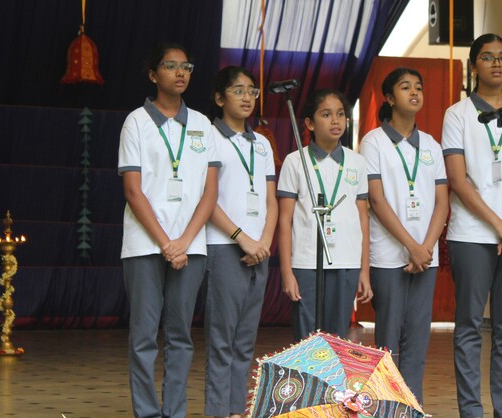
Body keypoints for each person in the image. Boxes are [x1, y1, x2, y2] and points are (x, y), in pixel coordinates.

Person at [441, 33, 502, 418]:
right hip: (471, 235)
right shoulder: (458, 114)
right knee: (469, 326)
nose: (497, 63)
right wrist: (500, 227)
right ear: (474, 65)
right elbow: (458, 180)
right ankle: (471, 411)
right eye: (487, 57)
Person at [117, 42, 219, 418]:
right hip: (145, 244)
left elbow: (210, 192)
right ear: (152, 74)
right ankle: (147, 412)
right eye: (171, 66)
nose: (180, 73)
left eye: (186, 67)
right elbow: (133, 190)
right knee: (144, 335)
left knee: (181, 335)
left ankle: (174, 411)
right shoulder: (136, 122)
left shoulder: (203, 124)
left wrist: (185, 241)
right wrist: (166, 243)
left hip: (191, 246)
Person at [359, 68, 449, 404]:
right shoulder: (373, 142)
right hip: (389, 255)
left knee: (418, 339)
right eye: (405, 87)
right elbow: (377, 200)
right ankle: (386, 406)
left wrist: (425, 248)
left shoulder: (432, 145)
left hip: (425, 257)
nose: (414, 92)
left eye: (418, 87)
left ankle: (412, 406)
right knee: (388, 340)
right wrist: (411, 246)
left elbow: (442, 202)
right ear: (389, 97)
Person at [203, 66, 278, 418]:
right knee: (222, 339)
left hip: (258, 250)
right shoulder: (208, 137)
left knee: (246, 340)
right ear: (220, 98)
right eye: (238, 90)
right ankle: (219, 410)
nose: (247, 97)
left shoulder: (261, 143)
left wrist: (263, 242)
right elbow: (206, 199)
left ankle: (237, 410)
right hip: (224, 247)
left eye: (252, 91)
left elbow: (271, 200)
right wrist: (241, 238)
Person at [277, 88, 372, 342]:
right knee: (307, 339)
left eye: (340, 114)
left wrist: (364, 270)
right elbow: (284, 220)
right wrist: (287, 272)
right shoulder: (295, 161)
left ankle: (333, 372)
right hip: (306, 262)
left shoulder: (357, 162)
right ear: (310, 123)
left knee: (337, 338)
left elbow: (363, 219)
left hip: (346, 261)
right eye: (326, 114)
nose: (335, 121)